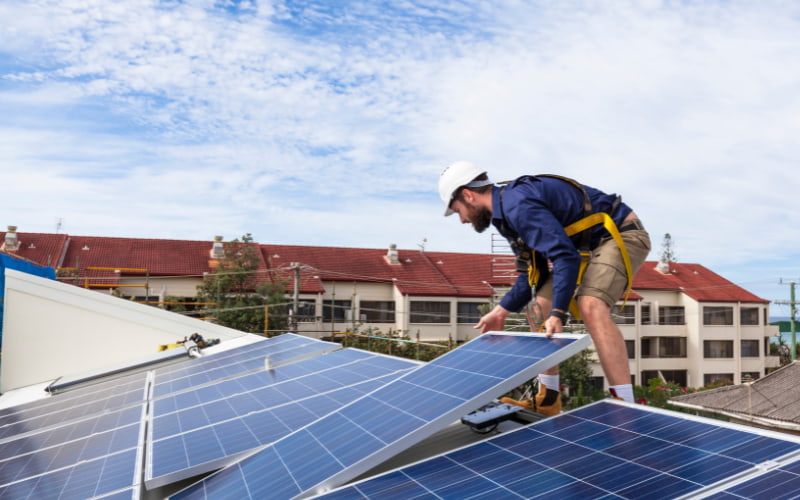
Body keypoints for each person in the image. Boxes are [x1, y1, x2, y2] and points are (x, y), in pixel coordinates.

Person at [438, 161, 651, 415]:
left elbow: (564, 257)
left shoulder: (517, 205)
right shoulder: (504, 216)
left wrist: (558, 313)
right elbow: (531, 274)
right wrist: (501, 312)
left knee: (590, 305)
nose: (462, 220)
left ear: (467, 195)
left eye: (458, 210)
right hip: (582, 247)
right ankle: (548, 399)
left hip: (620, 234)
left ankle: (625, 407)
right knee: (541, 305)